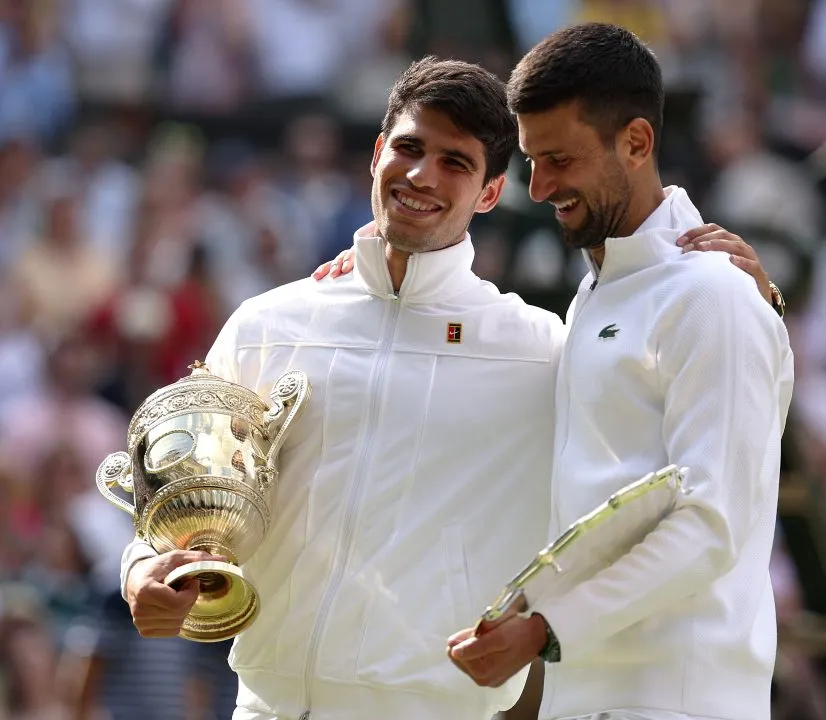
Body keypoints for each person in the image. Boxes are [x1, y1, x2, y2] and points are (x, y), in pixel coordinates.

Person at [120, 56, 566, 720]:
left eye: (455, 162)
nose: (422, 175)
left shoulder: (541, 348)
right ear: (378, 152)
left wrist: (739, 286)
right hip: (262, 705)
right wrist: (141, 573)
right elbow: (176, 503)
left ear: (491, 192)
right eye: (410, 148)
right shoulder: (269, 323)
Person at [444, 23, 794, 720]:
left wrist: (544, 631)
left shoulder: (715, 294)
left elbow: (711, 523)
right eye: (531, 162)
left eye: (560, 160)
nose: (539, 188)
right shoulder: (598, 294)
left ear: (636, 143)